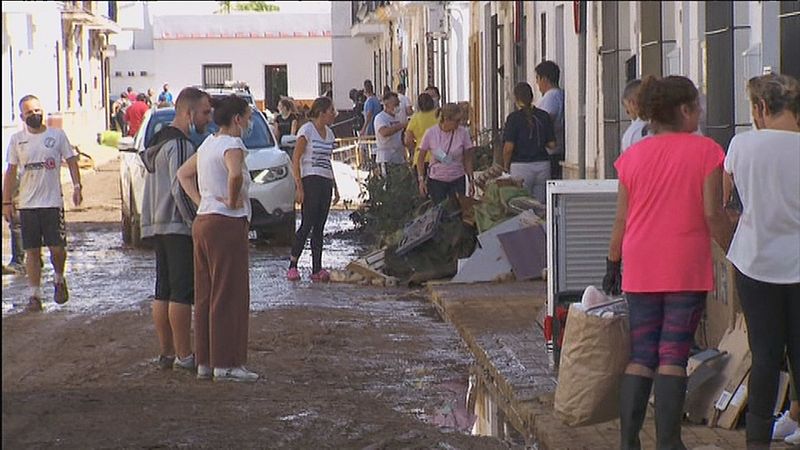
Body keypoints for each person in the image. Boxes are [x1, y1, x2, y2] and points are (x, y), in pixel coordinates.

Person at [604, 75, 734, 450]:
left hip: (640, 263)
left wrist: (613, 261)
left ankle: (629, 441)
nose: (701, 113)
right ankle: (668, 441)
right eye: (697, 106)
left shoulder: (631, 157)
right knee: (673, 352)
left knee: (641, 352)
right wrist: (731, 247)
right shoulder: (707, 152)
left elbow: (621, 219)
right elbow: (713, 213)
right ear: (684, 110)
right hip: (684, 264)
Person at [722, 73, 800, 446]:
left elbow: (729, 202)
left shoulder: (740, 146)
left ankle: (757, 440)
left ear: (761, 107)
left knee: (766, 354)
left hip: (755, 262)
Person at [177, 95, 258, 382]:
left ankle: (206, 362)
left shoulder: (208, 143)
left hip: (204, 220)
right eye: (247, 117)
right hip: (227, 222)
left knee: (206, 293)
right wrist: (233, 201)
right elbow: (235, 175)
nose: (248, 122)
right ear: (237, 119)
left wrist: (203, 201)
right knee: (230, 293)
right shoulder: (233, 145)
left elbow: (183, 174)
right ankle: (228, 363)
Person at [140, 87, 213, 371]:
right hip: (177, 225)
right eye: (205, 112)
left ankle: (168, 352)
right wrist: (196, 222)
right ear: (188, 112)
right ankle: (185, 355)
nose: (208, 118)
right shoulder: (181, 145)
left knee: (164, 290)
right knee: (181, 292)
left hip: (157, 224)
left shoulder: (157, 143)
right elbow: (181, 188)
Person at [2, 94, 83, 311]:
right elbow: (10, 171)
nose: (35, 115)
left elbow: (72, 161)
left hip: (52, 203)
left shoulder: (57, 136)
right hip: (28, 205)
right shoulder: (17, 140)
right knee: (32, 251)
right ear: (22, 116)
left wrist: (77, 187)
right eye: (29, 112)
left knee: (57, 248)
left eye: (37, 110)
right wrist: (6, 202)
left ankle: (58, 278)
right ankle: (35, 296)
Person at [287, 97, 340, 282]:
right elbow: (296, 158)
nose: (333, 114)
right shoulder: (307, 130)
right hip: (310, 179)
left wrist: (335, 186)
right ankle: (293, 264)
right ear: (322, 112)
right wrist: (299, 186)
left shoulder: (330, 134)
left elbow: (328, 161)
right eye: (331, 111)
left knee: (320, 226)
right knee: (307, 222)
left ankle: (317, 268)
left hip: (325, 180)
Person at [502, 82, 557, 204]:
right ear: (532, 97)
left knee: (522, 206)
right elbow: (552, 144)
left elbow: (508, 148)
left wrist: (505, 166)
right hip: (543, 165)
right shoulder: (543, 116)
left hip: (520, 167)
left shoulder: (513, 118)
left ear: (516, 98)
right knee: (541, 206)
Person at [417, 103, 474, 204]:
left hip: (457, 178)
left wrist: (471, 180)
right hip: (437, 180)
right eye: (456, 121)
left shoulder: (463, 133)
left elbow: (467, 158)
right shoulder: (431, 133)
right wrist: (421, 180)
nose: (458, 123)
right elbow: (421, 158)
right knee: (440, 213)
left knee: (458, 212)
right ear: (447, 119)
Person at [535, 61, 565, 179]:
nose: (537, 83)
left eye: (537, 78)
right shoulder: (560, 95)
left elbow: (546, 120)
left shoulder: (551, 97)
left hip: (551, 153)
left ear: (545, 79)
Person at [404, 93, 439, 182]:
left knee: (423, 188)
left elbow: (408, 140)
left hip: (420, 157)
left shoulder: (415, 118)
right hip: (440, 155)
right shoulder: (439, 114)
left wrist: (414, 147)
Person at [374, 92, 408, 172]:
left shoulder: (398, 118)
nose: (397, 106)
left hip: (399, 157)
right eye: (395, 104)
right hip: (386, 158)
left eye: (398, 104)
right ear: (387, 105)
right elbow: (384, 132)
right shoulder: (380, 118)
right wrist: (402, 125)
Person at [620, 79, 649, 153]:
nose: (627, 113)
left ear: (632, 104)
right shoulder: (665, 125)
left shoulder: (632, 134)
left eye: (627, 108)